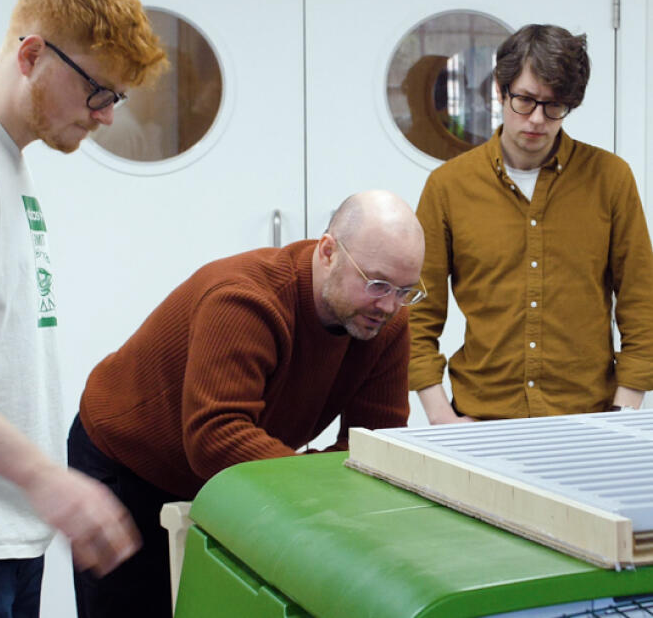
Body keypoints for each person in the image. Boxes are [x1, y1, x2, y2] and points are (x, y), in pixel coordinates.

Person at [68, 189, 426, 617]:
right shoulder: (244, 298)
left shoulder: (384, 322)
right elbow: (216, 436)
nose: (388, 305)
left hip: (238, 470)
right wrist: (320, 482)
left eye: (405, 291)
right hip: (129, 461)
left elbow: (373, 444)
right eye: (377, 284)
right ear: (328, 252)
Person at [0, 0, 167, 616]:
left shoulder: (8, 161)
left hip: (9, 533)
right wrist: (47, 478)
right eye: (99, 93)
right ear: (33, 54)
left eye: (116, 100)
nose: (104, 118)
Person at [409, 23, 653, 424]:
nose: (538, 119)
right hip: (481, 417)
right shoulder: (448, 186)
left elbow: (640, 302)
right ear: (500, 92)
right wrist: (440, 417)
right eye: (524, 100)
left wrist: (623, 413)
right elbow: (417, 310)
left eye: (554, 105)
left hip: (589, 418)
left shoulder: (610, 178)